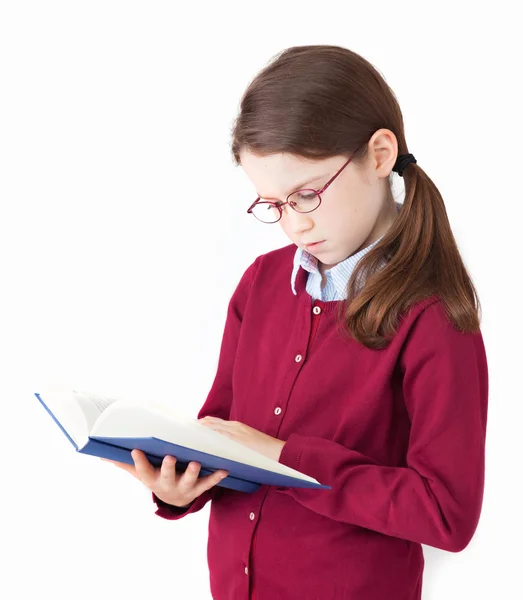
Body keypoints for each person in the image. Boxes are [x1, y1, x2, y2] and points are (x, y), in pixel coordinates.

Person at [104, 44, 489, 600]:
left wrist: (285, 457)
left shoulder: (433, 316)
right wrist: (181, 486)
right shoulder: (260, 284)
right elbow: (224, 434)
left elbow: (446, 515)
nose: (293, 225)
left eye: (307, 194)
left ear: (380, 154)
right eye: (273, 204)